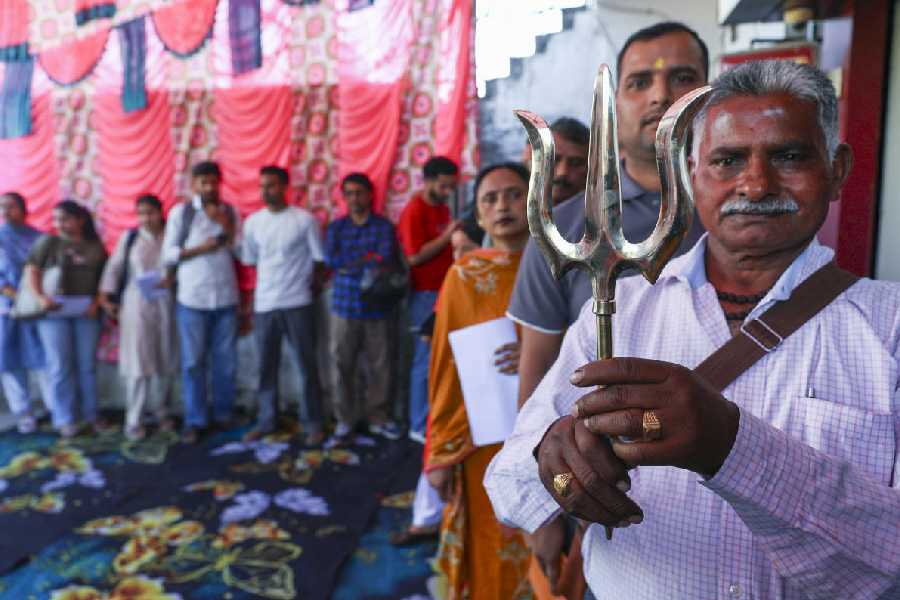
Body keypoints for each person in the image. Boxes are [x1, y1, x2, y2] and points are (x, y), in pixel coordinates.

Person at [486, 59, 900, 599]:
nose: (755, 183)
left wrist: (732, 448)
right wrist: (552, 458)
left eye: (789, 156)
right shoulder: (622, 308)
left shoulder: (888, 329)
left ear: (837, 169)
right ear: (690, 173)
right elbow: (508, 491)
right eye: (728, 159)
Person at [505, 21, 710, 597]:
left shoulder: (738, 216)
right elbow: (536, 374)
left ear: (707, 88)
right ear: (617, 100)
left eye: (682, 77)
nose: (660, 94)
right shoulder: (566, 227)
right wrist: (543, 508)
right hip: (607, 492)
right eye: (640, 81)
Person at [425, 163, 533, 599]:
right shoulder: (464, 276)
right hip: (479, 439)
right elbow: (445, 365)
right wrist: (441, 449)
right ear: (478, 215)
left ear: (535, 199)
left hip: (549, 433)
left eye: (512, 194)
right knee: (490, 544)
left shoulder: (563, 270)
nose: (502, 206)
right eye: (489, 199)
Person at [393, 156, 461, 546]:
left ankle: (426, 419)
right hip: (424, 295)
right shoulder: (416, 210)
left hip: (445, 291)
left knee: (439, 365)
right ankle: (419, 425)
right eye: (445, 184)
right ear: (430, 181)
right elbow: (414, 256)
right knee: (424, 364)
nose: (449, 190)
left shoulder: (440, 207)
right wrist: (448, 234)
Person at [240, 166, 326, 446]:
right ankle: (267, 421)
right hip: (265, 305)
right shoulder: (253, 223)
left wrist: (308, 289)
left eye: (273, 186)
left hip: (298, 303)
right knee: (265, 367)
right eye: (263, 186)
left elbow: (318, 260)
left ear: (285, 187)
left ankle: (313, 422)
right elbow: (251, 261)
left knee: (307, 365)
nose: (267, 191)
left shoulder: (304, 220)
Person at [162, 161, 240, 444]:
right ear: (193, 184)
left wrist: (227, 226)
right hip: (192, 299)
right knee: (193, 362)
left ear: (220, 183)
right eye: (202, 182)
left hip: (226, 298)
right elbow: (168, 255)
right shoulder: (181, 214)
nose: (208, 188)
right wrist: (199, 249)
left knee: (226, 362)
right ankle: (195, 419)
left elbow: (242, 253)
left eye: (213, 182)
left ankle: (223, 413)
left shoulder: (230, 212)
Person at [325, 172, 403, 443]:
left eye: (359, 192)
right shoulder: (337, 228)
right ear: (344, 197)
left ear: (370, 195)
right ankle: (344, 421)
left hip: (377, 309)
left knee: (380, 366)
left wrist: (354, 265)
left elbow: (383, 259)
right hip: (343, 309)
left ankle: (378, 418)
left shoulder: (383, 227)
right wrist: (367, 263)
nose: (354, 198)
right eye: (349, 193)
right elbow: (333, 260)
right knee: (341, 365)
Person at [98, 195, 177, 441]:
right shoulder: (130, 238)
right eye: (141, 213)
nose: (145, 218)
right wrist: (106, 297)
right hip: (136, 304)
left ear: (160, 212)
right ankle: (134, 418)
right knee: (138, 363)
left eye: (150, 212)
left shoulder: (172, 236)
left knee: (165, 359)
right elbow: (114, 268)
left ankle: (162, 411)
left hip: (166, 302)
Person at [26, 200, 107, 438]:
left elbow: (105, 278)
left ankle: (92, 414)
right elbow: (32, 271)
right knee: (60, 366)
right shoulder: (47, 243)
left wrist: (96, 303)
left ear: (80, 219)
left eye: (65, 218)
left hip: (86, 312)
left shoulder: (94, 245)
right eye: (57, 219)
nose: (59, 224)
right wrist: (41, 298)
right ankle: (64, 418)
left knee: (87, 366)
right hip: (53, 314)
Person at [0, 192, 45, 433]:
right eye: (2, 207)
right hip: (7, 309)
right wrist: (16, 297)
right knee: (10, 361)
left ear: (24, 209)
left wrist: (33, 298)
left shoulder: (40, 239)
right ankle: (24, 412)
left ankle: (54, 407)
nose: (5, 212)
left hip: (38, 308)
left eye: (11, 207)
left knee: (45, 358)